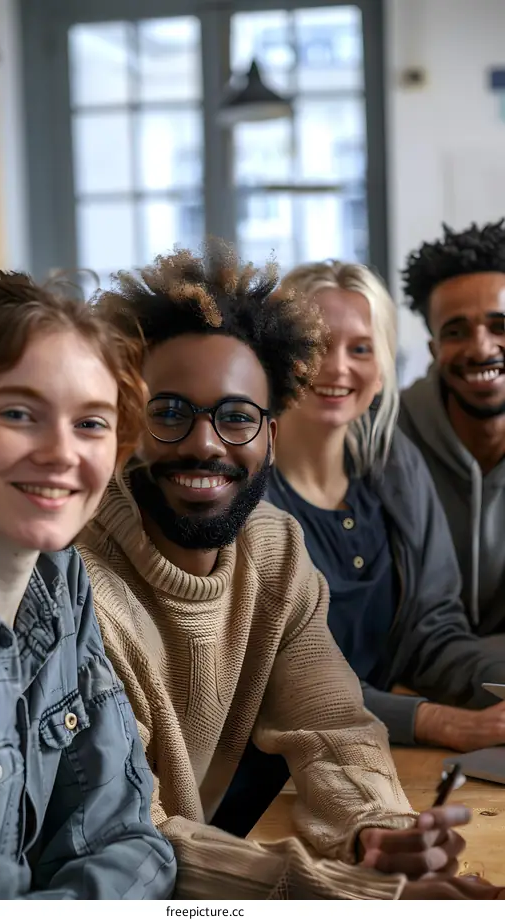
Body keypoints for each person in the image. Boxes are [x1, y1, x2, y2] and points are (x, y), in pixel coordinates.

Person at [78, 242, 499, 901]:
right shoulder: (78, 591)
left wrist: (377, 836)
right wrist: (346, 891)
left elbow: (334, 727)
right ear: (127, 419)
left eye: (238, 417)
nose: (206, 443)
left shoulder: (274, 546)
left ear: (273, 428)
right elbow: (128, 844)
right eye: (169, 413)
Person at [0, 269, 176, 899]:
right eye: (19, 413)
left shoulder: (59, 582)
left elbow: (132, 843)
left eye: (91, 423)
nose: (61, 452)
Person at [261, 259, 505, 755]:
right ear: (276, 354)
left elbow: (432, 638)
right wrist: (436, 721)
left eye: (361, 349)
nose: (338, 367)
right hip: (268, 777)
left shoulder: (396, 466)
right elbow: (274, 683)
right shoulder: (243, 491)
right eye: (317, 345)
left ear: (382, 368)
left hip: (376, 752)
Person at [400, 220, 505, 636]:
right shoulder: (387, 442)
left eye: (500, 326)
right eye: (456, 332)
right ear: (434, 349)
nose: (481, 349)